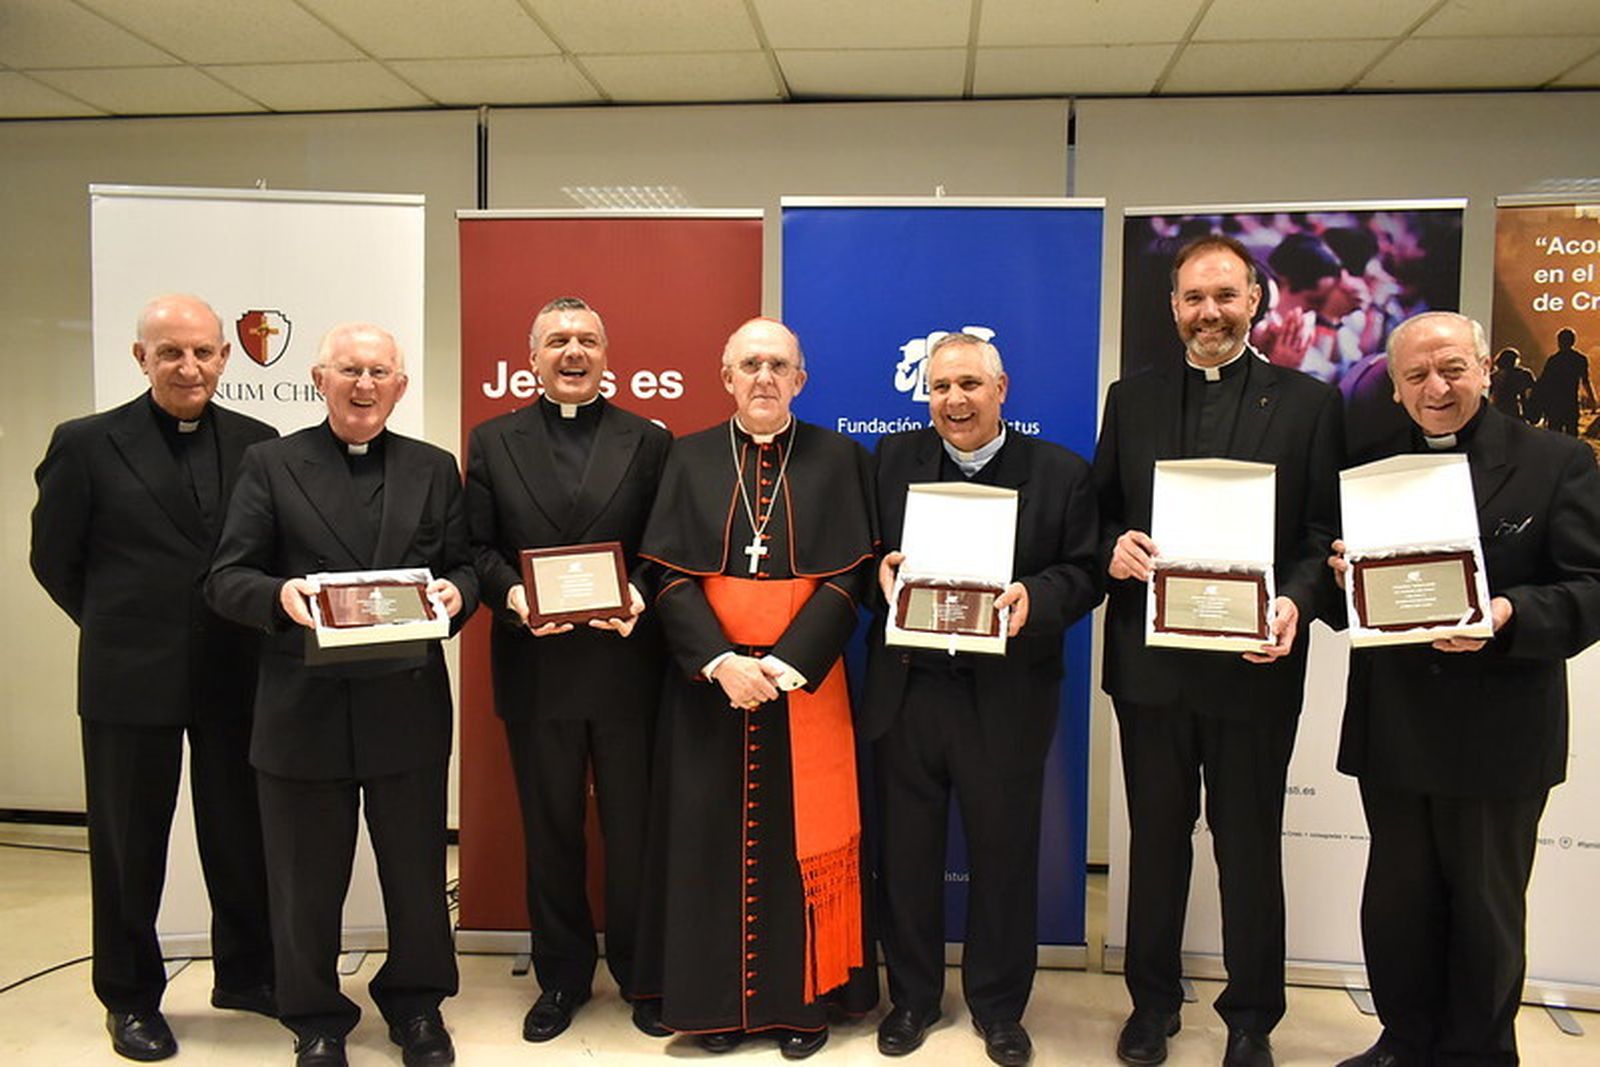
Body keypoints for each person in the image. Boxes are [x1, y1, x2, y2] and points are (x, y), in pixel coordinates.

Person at [1094, 234, 1343, 1067]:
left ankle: (1251, 1019)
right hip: (1152, 668)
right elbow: (1097, 513)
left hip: (1254, 669)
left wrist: (1297, 602)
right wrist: (1111, 550)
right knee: (1155, 845)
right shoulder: (1130, 399)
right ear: (1173, 307)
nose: (1209, 312)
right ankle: (1150, 1004)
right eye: (1194, 297)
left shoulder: (1310, 403)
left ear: (1256, 302)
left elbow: (1320, 536)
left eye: (1225, 296)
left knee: (1248, 846)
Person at [1329, 312, 1600, 1067]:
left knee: (1485, 910)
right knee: (1398, 906)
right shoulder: (1371, 467)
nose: (1435, 388)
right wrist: (1341, 574)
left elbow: (1592, 586)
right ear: (1394, 388)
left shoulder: (1558, 460)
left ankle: (1478, 1054)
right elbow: (1345, 592)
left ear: (1485, 368)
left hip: (1499, 731)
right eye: (1415, 375)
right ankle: (1404, 1041)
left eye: (1451, 368)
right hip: (1396, 725)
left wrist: (1510, 614)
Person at [205, 323, 477, 1067]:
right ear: (319, 379)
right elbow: (227, 577)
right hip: (302, 708)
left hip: (406, 704)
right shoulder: (269, 463)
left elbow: (464, 567)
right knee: (303, 881)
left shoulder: (432, 468)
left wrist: (460, 591)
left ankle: (418, 1007)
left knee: (417, 874)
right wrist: (280, 593)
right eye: (349, 370)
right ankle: (316, 1015)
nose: (364, 384)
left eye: (379, 371)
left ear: (401, 385)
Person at [30, 293, 277, 1062]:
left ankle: (245, 973)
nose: (189, 366)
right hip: (128, 678)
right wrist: (120, 627)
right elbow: (54, 559)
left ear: (225, 357)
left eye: (203, 351)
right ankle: (131, 997)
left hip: (236, 671)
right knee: (128, 844)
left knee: (242, 835)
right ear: (141, 358)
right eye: (170, 352)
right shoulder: (87, 442)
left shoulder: (259, 443)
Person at [632, 317, 878, 1058]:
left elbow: (850, 576)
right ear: (726, 376)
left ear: (801, 379)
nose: (764, 376)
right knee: (706, 843)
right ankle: (712, 1008)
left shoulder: (840, 458)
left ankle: (799, 1007)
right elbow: (668, 573)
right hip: (710, 689)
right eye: (750, 364)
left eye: (779, 364)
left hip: (802, 686)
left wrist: (786, 662)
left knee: (799, 846)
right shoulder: (688, 456)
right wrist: (720, 661)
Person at [864, 334, 1100, 1067]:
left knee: (1004, 858)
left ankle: (1000, 1007)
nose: (954, 400)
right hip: (911, 689)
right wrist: (879, 568)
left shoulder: (1059, 472)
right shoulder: (892, 462)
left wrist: (1039, 593)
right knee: (905, 855)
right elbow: (862, 552)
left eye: (969, 384)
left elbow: (1088, 570)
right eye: (939, 387)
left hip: (1005, 696)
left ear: (1003, 388)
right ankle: (912, 998)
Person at [463, 297, 671, 1041]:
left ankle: (647, 975)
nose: (573, 352)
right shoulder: (491, 440)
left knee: (636, 829)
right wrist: (514, 595)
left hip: (627, 665)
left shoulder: (648, 440)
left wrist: (641, 595)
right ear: (533, 358)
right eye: (558, 341)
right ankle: (562, 978)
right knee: (550, 832)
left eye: (586, 340)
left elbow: (661, 542)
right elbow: (474, 549)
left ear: (608, 357)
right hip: (537, 665)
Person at [1532, 327, 1595, 435]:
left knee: (1555, 434)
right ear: (1573, 341)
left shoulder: (1553, 360)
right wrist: (1592, 398)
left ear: (1559, 341)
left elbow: (1544, 382)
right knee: (1572, 433)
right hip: (1571, 402)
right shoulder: (1580, 359)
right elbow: (1585, 381)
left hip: (1554, 403)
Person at [1489, 346, 1536, 423]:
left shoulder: (1494, 376)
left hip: (1497, 408)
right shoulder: (1522, 374)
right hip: (1515, 408)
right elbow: (1532, 390)